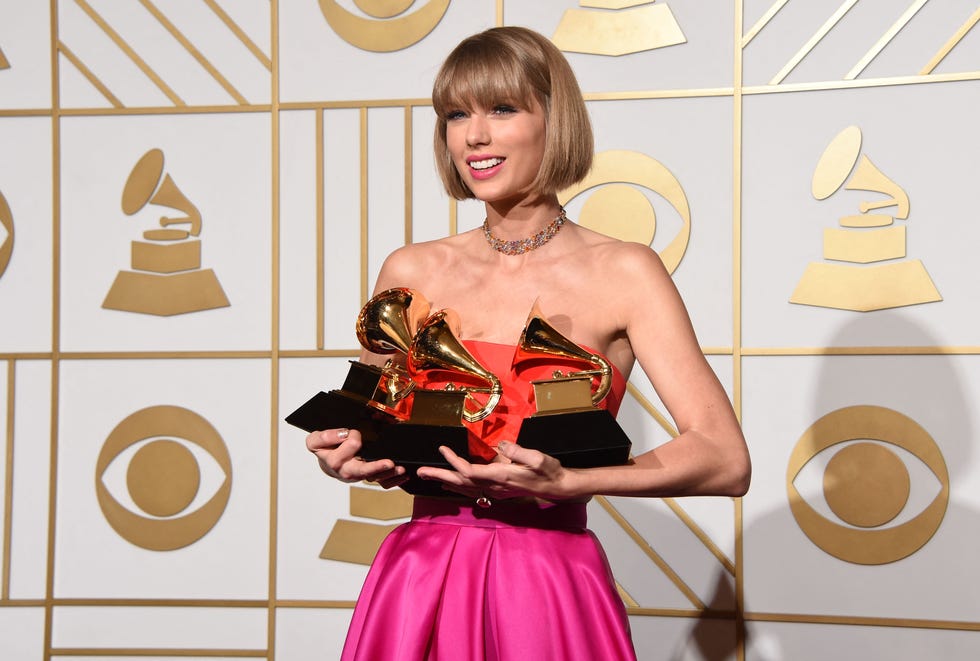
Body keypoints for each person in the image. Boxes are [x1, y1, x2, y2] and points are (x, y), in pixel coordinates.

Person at [306, 26, 750, 660]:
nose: (474, 135)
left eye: (502, 109)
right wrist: (342, 452)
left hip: (544, 585)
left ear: (554, 120)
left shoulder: (624, 271)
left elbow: (725, 459)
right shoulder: (409, 271)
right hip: (418, 580)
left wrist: (575, 479)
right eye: (456, 115)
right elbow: (363, 422)